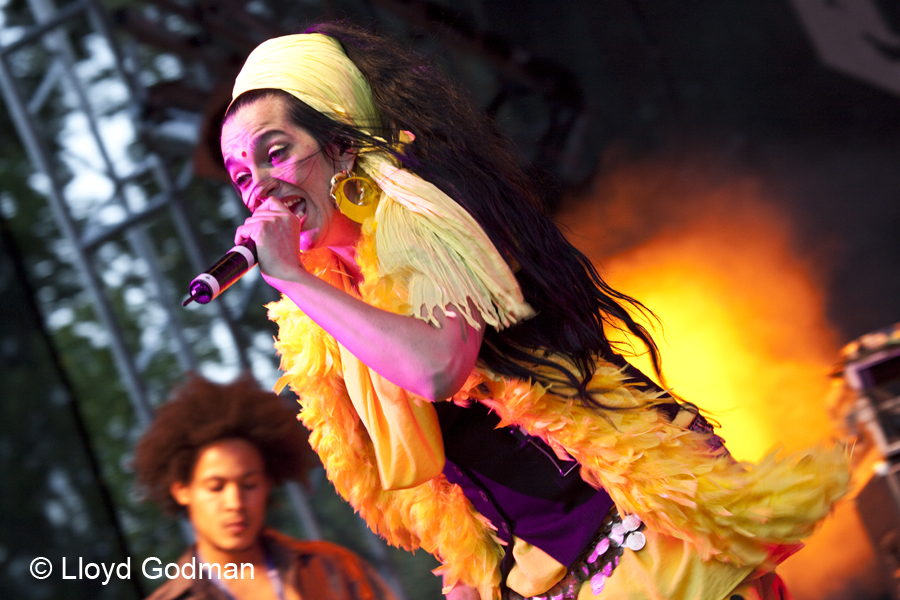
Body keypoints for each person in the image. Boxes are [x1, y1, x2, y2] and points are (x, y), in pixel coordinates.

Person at [220, 22, 849, 600]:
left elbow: (438, 365)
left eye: (275, 153)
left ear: (342, 145)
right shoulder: (327, 306)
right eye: (240, 175)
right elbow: (431, 477)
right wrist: (476, 568)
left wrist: (291, 279)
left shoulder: (419, 217)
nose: (258, 186)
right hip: (551, 576)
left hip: (647, 544)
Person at [133, 373, 398, 600]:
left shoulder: (333, 568)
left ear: (268, 482)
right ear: (182, 490)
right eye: (216, 487)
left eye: (249, 485)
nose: (235, 502)